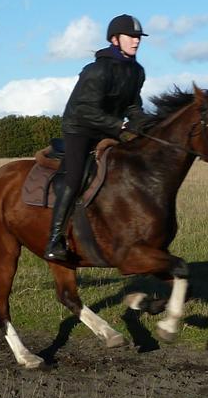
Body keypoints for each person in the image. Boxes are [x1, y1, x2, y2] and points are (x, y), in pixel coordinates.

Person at [44, 14, 154, 262]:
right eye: (131, 37)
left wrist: (145, 123)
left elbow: (133, 105)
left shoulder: (137, 71)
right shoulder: (97, 71)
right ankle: (54, 240)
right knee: (74, 177)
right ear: (115, 39)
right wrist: (120, 124)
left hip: (109, 129)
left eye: (138, 38)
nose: (136, 42)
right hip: (79, 128)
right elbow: (86, 110)